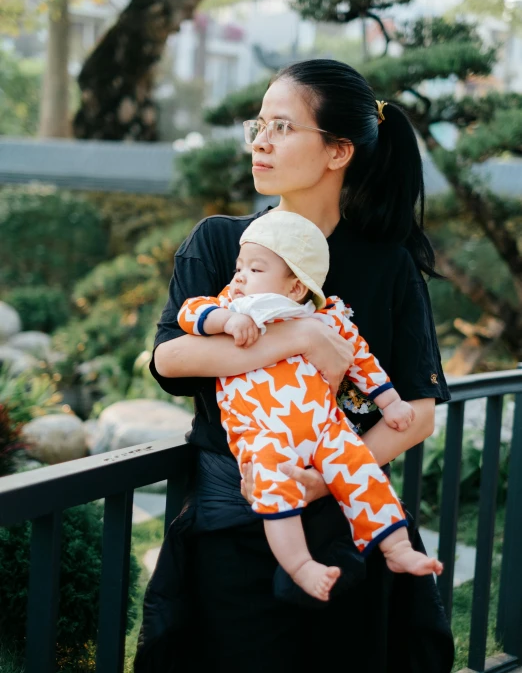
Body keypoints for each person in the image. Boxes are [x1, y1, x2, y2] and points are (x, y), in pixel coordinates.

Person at [134, 59, 454, 673]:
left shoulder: (386, 264)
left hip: (344, 521)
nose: (259, 141)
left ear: (338, 151)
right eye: (259, 124)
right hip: (234, 521)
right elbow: (172, 360)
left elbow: (414, 413)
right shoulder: (223, 243)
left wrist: (315, 482)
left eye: (282, 126)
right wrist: (303, 334)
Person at [178, 209, 443, 602]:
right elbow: (190, 312)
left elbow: (361, 361)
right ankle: (300, 565)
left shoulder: (328, 316)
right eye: (239, 266)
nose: (239, 276)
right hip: (264, 434)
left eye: (255, 268)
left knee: (362, 472)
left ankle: (396, 546)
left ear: (297, 288)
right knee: (275, 489)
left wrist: (390, 403)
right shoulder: (236, 306)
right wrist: (223, 322)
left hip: (324, 429)